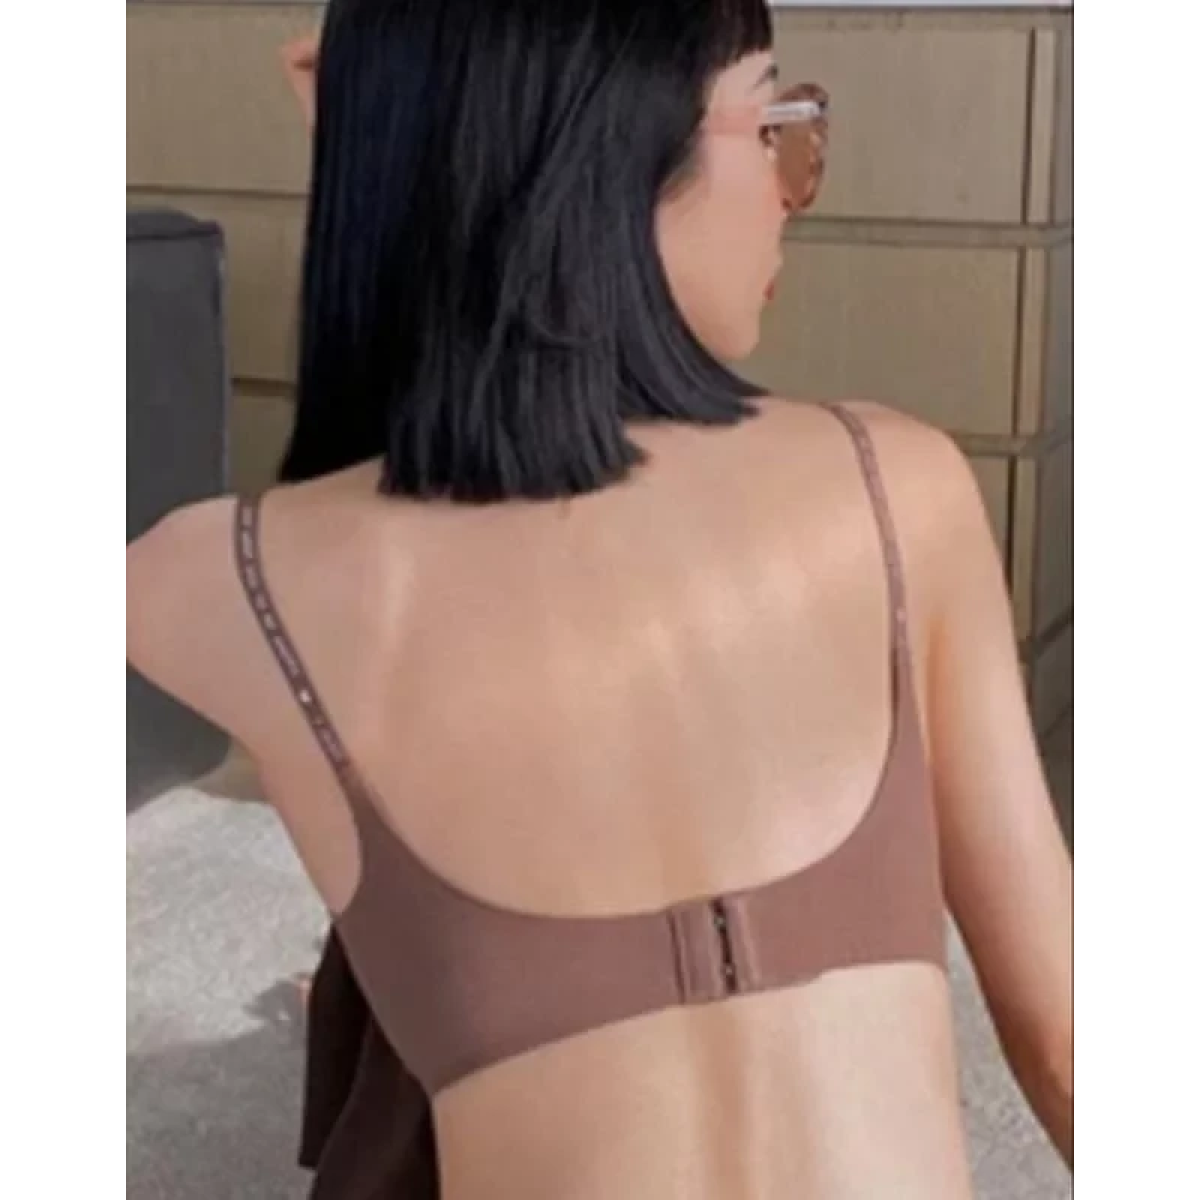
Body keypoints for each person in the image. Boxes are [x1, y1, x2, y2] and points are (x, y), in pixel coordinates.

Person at [126, 2, 1073, 1197]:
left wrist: (398, 166)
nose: (791, 187)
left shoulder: (228, 579)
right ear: (609, 146)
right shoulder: (899, 491)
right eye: (773, 121)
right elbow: (1069, 1046)